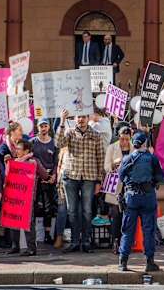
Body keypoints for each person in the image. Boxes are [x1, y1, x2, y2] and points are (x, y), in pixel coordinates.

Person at [57, 109, 106, 254]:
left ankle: (86, 241)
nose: (81, 120)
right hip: (70, 175)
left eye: (84, 117)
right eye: (78, 117)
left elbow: (100, 158)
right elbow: (58, 143)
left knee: (86, 211)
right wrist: (61, 122)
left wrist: (99, 180)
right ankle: (74, 241)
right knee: (71, 211)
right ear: (75, 118)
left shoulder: (96, 135)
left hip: (89, 177)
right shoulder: (69, 133)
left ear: (88, 118)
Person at [117, 132, 164, 272]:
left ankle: (123, 262)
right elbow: (160, 176)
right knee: (148, 230)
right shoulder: (152, 158)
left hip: (131, 197)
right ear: (145, 144)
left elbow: (121, 176)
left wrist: (130, 183)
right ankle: (149, 262)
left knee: (127, 230)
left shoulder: (127, 159)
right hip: (148, 196)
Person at [4, 139, 49, 256]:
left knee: (28, 223)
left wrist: (35, 167)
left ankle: (31, 248)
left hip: (27, 197)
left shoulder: (33, 161)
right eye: (16, 149)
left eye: (19, 149)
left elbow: (44, 175)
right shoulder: (15, 161)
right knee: (13, 221)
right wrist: (7, 163)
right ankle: (15, 246)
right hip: (14, 196)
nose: (17, 151)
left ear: (26, 151)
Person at [104, 126, 135, 253]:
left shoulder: (134, 148)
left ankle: (125, 241)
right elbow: (105, 167)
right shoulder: (112, 148)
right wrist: (113, 163)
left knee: (127, 215)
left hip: (129, 185)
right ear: (118, 137)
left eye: (127, 140)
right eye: (122, 139)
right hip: (115, 185)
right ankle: (115, 240)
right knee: (115, 214)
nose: (124, 142)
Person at [30, 119, 58, 245]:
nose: (43, 128)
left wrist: (53, 176)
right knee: (34, 207)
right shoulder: (32, 142)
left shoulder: (54, 143)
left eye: (45, 125)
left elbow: (57, 162)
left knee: (48, 207)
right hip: (35, 179)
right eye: (41, 126)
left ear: (49, 127)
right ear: (37, 127)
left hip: (49, 180)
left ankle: (47, 234)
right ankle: (34, 235)